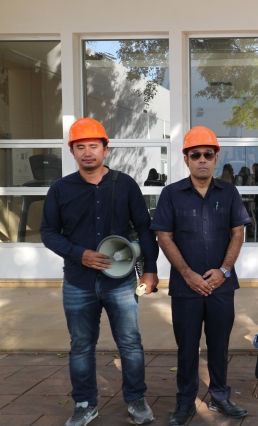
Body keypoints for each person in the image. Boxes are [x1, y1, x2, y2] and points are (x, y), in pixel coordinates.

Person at [40, 117, 158, 426]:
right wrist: (79, 254)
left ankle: (136, 400)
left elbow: (144, 228)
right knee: (81, 346)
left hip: (120, 282)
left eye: (93, 146)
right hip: (78, 282)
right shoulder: (60, 189)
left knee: (130, 342)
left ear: (106, 149)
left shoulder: (125, 184)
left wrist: (151, 270)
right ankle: (84, 404)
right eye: (80, 147)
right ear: (72, 152)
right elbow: (48, 232)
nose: (87, 152)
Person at [151, 126, 251, 426]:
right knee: (187, 347)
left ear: (216, 158)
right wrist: (188, 274)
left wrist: (224, 270)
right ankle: (185, 402)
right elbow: (164, 237)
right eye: (195, 155)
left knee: (219, 345)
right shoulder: (171, 194)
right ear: (186, 159)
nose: (202, 159)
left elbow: (238, 233)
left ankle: (220, 395)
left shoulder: (229, 192)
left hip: (221, 286)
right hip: (186, 288)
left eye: (208, 154)